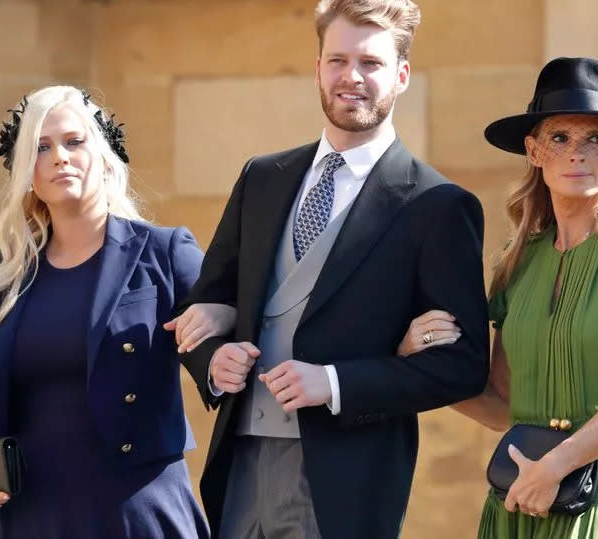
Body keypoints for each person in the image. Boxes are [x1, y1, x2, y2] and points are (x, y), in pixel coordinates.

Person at [178, 1, 489, 537]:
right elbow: (210, 304)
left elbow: (461, 366)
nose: (351, 77)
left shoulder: (437, 204)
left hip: (346, 476)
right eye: (337, 60)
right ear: (318, 66)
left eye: (370, 63)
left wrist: (335, 383)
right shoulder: (262, 177)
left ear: (401, 74)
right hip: (240, 464)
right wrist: (212, 360)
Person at [0, 86, 228, 538]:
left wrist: (225, 325)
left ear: (105, 154)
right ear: (25, 172)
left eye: (74, 141)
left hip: (138, 513)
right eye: (41, 147)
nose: (59, 157)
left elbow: (216, 338)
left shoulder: (165, 251)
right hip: (31, 516)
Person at [403, 57, 598, 537]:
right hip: (516, 501)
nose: (578, 154)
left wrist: (553, 468)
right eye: (560, 138)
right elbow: (501, 405)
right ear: (534, 151)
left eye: (594, 139)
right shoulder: (517, 260)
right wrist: (416, 362)